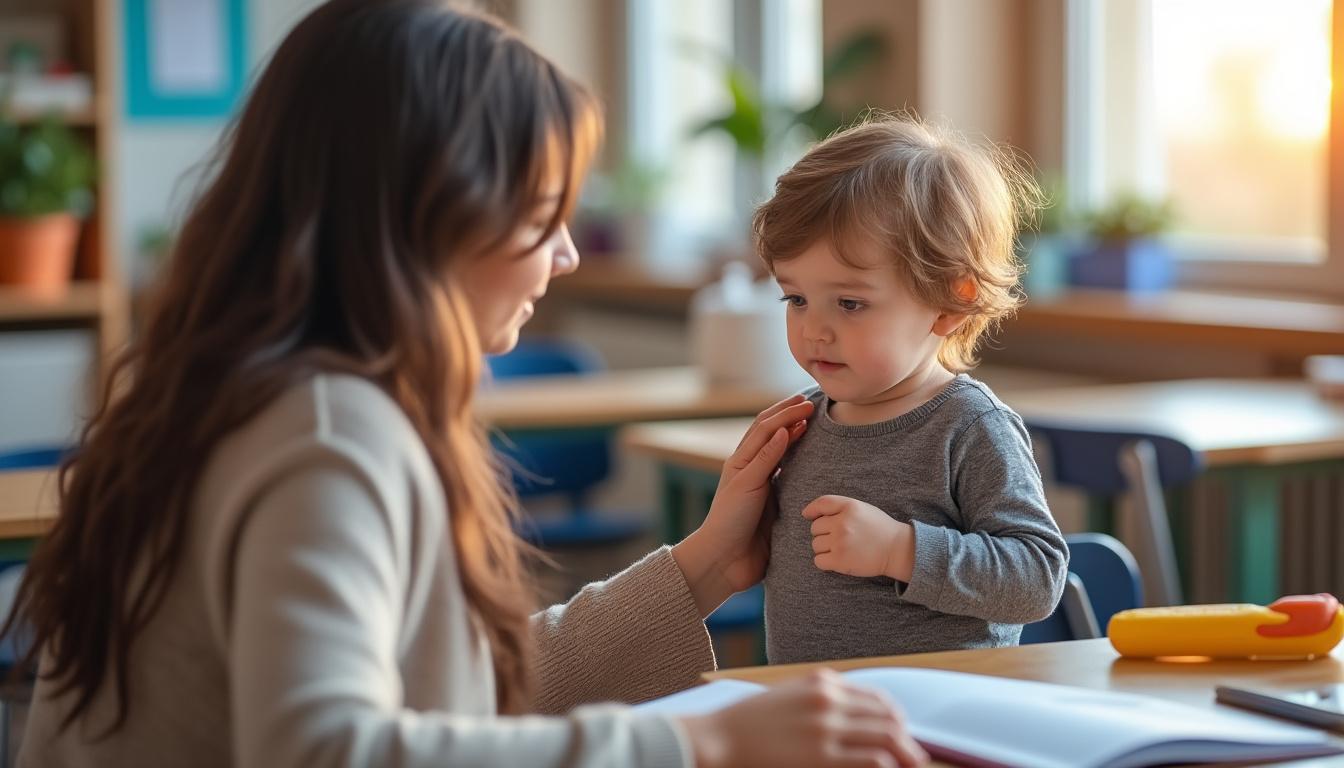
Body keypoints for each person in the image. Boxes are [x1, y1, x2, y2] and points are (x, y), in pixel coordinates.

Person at [7, 3, 927, 767]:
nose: (565, 256)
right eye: (541, 217)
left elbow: (441, 697)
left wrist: (707, 566)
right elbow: (332, 749)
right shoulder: (325, 429)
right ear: (433, 220)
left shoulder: (250, 393)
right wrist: (697, 740)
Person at [754, 115, 1070, 665]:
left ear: (951, 301)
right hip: (818, 719)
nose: (813, 330)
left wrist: (902, 550)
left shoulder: (969, 426)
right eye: (796, 299)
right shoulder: (803, 420)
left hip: (941, 719)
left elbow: (1037, 577)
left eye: (849, 304)